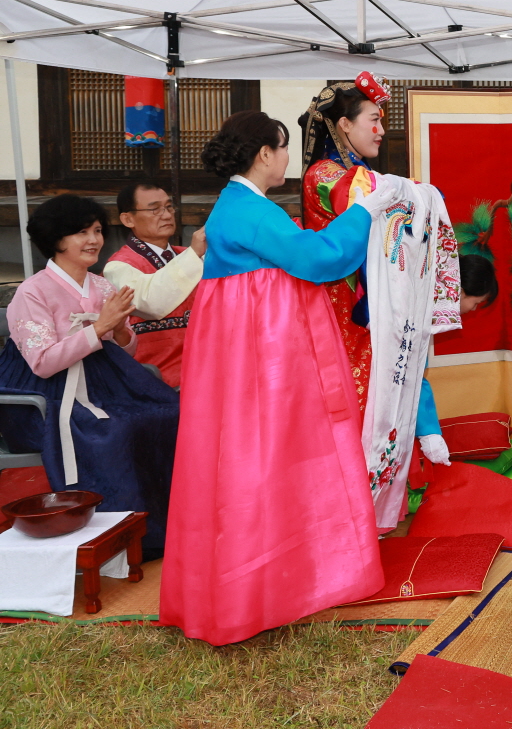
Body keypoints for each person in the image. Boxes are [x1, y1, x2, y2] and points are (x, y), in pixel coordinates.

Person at [161, 111, 386, 646]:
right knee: (261, 463)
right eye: (283, 148)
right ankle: (260, 587)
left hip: (249, 357)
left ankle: (270, 581)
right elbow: (319, 258)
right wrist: (364, 210)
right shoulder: (250, 210)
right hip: (261, 363)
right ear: (264, 153)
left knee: (249, 462)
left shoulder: (237, 206)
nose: (288, 158)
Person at [0, 194, 179, 558]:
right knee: (113, 429)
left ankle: (164, 528)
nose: (94, 240)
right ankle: (118, 543)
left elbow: (125, 352)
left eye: (97, 231)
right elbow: (43, 363)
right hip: (44, 394)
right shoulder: (31, 292)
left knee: (172, 411)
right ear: (56, 239)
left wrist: (122, 329)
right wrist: (99, 327)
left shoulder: (101, 286)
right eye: (81, 232)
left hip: (102, 381)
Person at [298, 72, 390, 415]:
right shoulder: (325, 174)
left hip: (364, 296)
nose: (381, 130)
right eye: (374, 120)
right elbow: (364, 200)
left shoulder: (360, 173)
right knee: (354, 393)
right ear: (345, 125)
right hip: (339, 302)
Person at [102, 181, 205, 388]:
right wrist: (194, 254)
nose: (166, 215)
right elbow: (151, 303)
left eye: (169, 207)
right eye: (155, 209)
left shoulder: (189, 255)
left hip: (204, 370)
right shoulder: (118, 266)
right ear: (128, 219)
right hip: (155, 379)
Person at [414, 255, 501, 465]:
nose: (473, 309)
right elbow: (412, 379)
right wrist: (429, 432)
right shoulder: (416, 311)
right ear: (460, 291)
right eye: (476, 303)